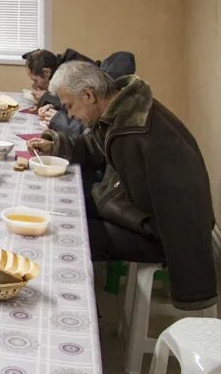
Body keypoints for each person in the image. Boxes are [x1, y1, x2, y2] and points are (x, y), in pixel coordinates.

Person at [28, 62, 216, 311]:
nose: (69, 115)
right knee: (60, 213)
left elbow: (181, 209)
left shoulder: (141, 132)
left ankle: (69, 312)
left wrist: (193, 291)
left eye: (69, 106)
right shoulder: (120, 111)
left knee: (67, 236)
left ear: (88, 95)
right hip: (133, 211)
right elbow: (95, 148)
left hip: (157, 234)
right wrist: (57, 145)